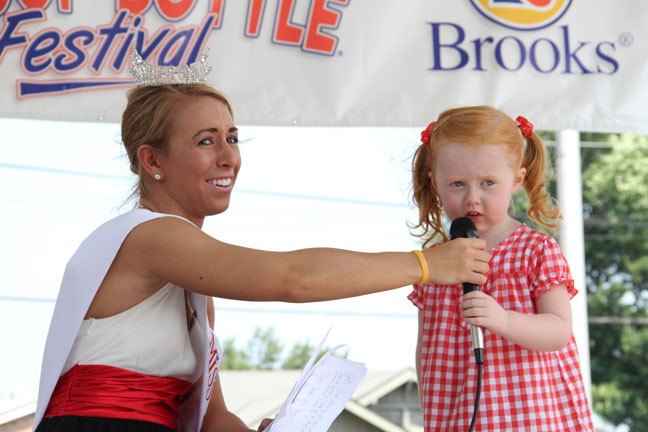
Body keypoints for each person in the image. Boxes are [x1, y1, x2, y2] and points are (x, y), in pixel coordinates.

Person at [33, 58, 491, 432]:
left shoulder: (193, 275)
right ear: (152, 160)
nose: (228, 156)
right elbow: (291, 280)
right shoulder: (150, 235)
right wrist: (425, 264)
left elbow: (211, 418)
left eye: (232, 138)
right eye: (206, 141)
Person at [408, 106, 593, 431]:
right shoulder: (433, 262)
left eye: (488, 183)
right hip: (460, 417)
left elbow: (559, 331)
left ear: (516, 181)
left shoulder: (536, 250)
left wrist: (503, 319)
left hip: (530, 416)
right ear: (434, 182)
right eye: (456, 184)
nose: (472, 198)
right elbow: (427, 349)